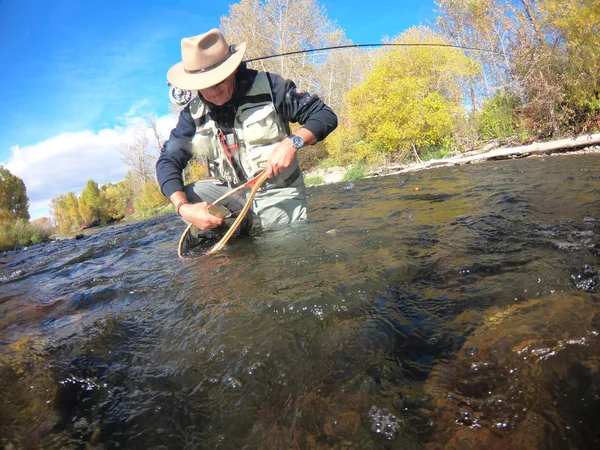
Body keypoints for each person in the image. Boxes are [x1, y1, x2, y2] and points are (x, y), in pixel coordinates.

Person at [156, 29, 338, 243]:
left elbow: (325, 115)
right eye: (203, 87)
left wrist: (293, 142)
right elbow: (167, 161)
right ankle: (233, 237)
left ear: (231, 69)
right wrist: (183, 208)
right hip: (233, 193)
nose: (213, 92)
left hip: (278, 189)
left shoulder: (271, 87)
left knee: (286, 251)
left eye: (217, 81)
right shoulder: (192, 114)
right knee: (191, 193)